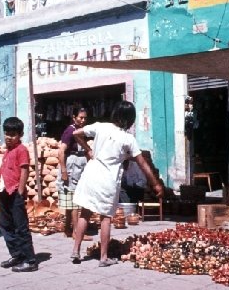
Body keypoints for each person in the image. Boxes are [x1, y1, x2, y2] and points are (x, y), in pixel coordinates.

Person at [70, 101, 165, 266]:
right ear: (130, 119)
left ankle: (75, 251)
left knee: (85, 213)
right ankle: (103, 257)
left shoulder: (101, 126)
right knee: (105, 217)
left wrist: (88, 150)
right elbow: (142, 163)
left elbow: (76, 134)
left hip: (91, 175)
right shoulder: (128, 139)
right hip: (108, 180)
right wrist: (156, 184)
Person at [0, 116, 38, 272]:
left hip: (15, 193)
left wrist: (20, 191)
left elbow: (24, 170)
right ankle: (17, 254)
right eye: (6, 133)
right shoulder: (7, 151)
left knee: (21, 227)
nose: (8, 137)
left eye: (12, 134)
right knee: (6, 225)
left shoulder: (21, 150)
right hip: (3, 192)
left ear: (20, 135)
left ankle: (30, 260)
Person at [55, 107, 92, 240]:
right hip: (72, 165)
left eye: (85, 118)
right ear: (74, 117)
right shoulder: (70, 131)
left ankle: (67, 229)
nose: (83, 120)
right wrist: (64, 171)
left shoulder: (81, 131)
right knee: (75, 199)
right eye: (80, 117)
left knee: (70, 199)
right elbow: (61, 151)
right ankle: (77, 232)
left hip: (78, 164)